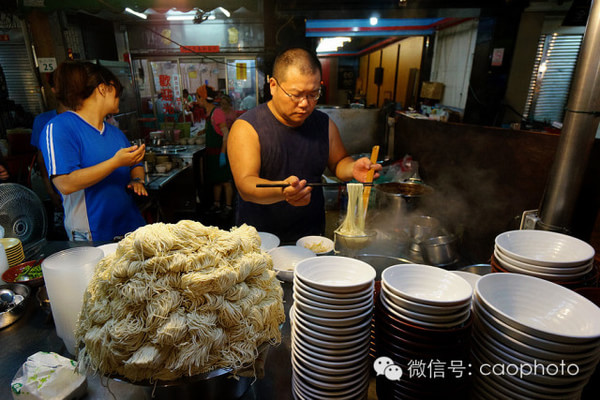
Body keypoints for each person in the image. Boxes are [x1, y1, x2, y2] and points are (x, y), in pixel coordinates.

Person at [227, 47, 382, 243]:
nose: (304, 103)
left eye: (313, 94)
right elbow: (246, 185)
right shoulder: (248, 127)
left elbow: (339, 162)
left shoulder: (324, 124)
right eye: (296, 94)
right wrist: (284, 191)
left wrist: (353, 168)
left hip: (310, 238)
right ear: (273, 86)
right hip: (259, 240)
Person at [39, 61, 147, 241]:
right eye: (116, 89)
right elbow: (65, 183)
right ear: (103, 88)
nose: (119, 95)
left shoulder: (115, 132)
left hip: (130, 226)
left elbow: (136, 163)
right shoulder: (59, 127)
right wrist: (115, 162)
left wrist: (137, 179)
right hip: (93, 233)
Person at [196, 84, 233, 214]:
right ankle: (217, 204)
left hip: (219, 153)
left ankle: (228, 207)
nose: (197, 101)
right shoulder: (209, 113)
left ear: (203, 98)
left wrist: (223, 153)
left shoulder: (217, 113)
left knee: (225, 181)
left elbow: (226, 133)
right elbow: (214, 128)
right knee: (216, 181)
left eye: (198, 98)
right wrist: (202, 131)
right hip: (212, 154)